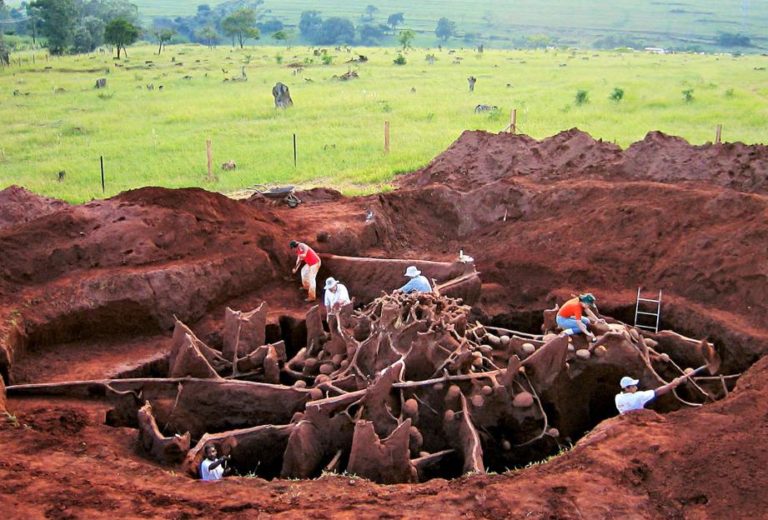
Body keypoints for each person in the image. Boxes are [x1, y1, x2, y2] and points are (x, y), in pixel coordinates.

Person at [615, 375, 685, 414]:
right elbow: (657, 392)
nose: (636, 388)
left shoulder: (617, 397)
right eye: (633, 386)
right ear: (626, 388)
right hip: (637, 421)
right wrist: (671, 385)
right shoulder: (638, 396)